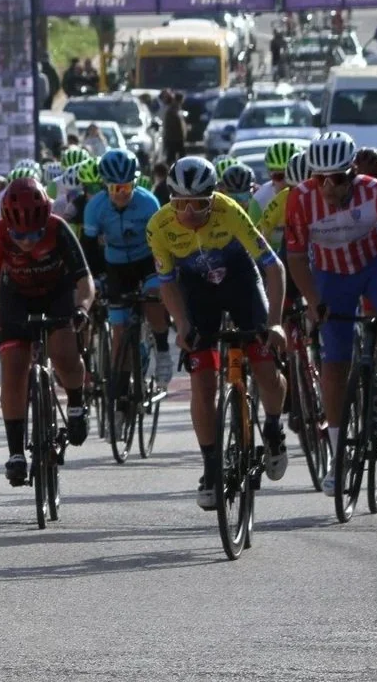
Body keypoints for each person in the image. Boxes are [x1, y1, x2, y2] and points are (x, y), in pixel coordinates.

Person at [285, 132, 377, 497]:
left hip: (376, 264)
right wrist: (314, 301)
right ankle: (337, 456)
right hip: (332, 276)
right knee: (334, 364)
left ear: (353, 173)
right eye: (321, 179)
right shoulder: (299, 200)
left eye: (339, 178)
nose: (329, 187)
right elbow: (297, 260)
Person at [147, 157, 289, 509]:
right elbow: (167, 285)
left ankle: (272, 428)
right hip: (197, 294)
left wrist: (274, 322)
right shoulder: (159, 226)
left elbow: (274, 268)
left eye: (199, 203)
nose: (190, 212)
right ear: (171, 201)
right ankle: (211, 465)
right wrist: (181, 325)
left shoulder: (229, 211)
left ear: (213, 198)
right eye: (181, 203)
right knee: (203, 382)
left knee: (266, 369)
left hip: (241, 283)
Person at [0, 178, 94, 486]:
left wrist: (82, 308)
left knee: (63, 353)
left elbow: (85, 283)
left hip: (57, 294)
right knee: (14, 368)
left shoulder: (58, 229)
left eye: (35, 233)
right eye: (20, 234)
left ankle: (76, 403)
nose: (27, 241)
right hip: (15, 297)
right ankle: (16, 452)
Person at [83, 150, 174, 389]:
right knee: (119, 330)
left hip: (146, 259)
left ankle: (163, 349)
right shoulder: (95, 208)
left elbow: (161, 243)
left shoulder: (148, 202)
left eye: (126, 188)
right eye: (115, 189)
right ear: (105, 187)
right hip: (115, 265)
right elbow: (89, 248)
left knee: (153, 299)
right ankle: (121, 389)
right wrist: (97, 278)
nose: (122, 195)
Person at [161, 92, 186, 165]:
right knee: (172, 157)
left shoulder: (176, 109)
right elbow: (172, 125)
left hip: (177, 138)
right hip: (174, 138)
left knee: (177, 156)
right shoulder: (172, 110)